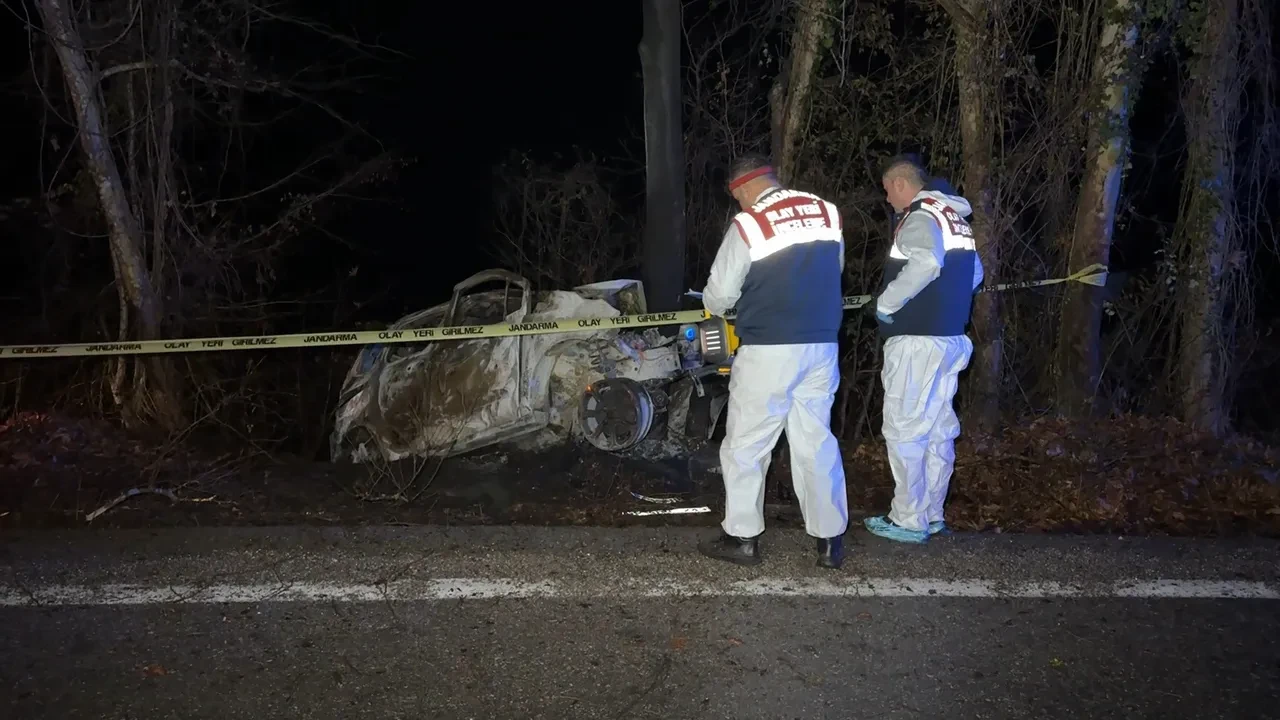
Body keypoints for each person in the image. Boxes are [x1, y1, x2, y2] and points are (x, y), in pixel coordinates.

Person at [697, 154, 850, 569]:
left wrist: (721, 305)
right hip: (821, 347)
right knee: (815, 441)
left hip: (768, 349)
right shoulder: (825, 212)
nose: (740, 206)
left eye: (738, 198)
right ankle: (830, 541)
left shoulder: (751, 223)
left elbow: (719, 294)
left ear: (743, 189)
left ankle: (742, 539)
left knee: (747, 446)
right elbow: (834, 270)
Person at [861, 155, 984, 544]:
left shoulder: (919, 216)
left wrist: (885, 304)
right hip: (950, 339)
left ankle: (907, 520)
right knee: (938, 430)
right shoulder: (955, 219)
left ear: (900, 184)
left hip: (916, 342)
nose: (888, 200)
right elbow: (975, 274)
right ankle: (931, 514)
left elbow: (926, 263)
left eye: (887, 191)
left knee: (904, 428)